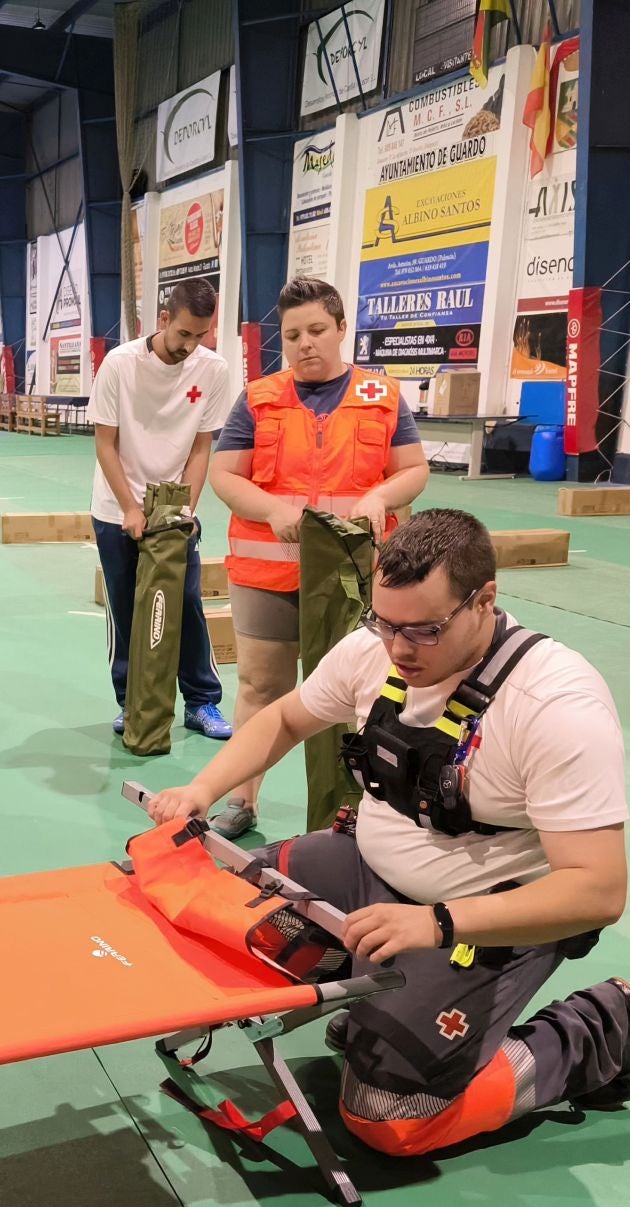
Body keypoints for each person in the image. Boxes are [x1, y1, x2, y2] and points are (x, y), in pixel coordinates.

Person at [148, 509, 630, 1157]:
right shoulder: (374, 650)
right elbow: (286, 719)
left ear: (486, 599)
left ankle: (586, 1036)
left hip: (481, 919)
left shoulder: (555, 706)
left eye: (424, 630)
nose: (400, 649)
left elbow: (599, 892)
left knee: (391, 1116)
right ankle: (379, 995)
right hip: (368, 869)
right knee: (215, 904)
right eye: (384, 623)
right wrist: (202, 790)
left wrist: (437, 923)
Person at [206, 276, 430, 838]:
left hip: (355, 578)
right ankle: (242, 800)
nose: (305, 343)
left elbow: (414, 469)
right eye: (292, 334)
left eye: (316, 330)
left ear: (341, 329)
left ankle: (351, 811)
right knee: (261, 686)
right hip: (267, 571)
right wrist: (269, 509)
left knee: (360, 694)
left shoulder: (383, 397)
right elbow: (223, 476)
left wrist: (380, 495)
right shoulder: (258, 398)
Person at [91, 277, 237, 742]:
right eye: (183, 334)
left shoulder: (212, 370)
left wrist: (184, 514)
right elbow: (105, 444)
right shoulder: (120, 365)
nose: (191, 346)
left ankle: (202, 701)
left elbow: (200, 448)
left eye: (201, 336)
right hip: (116, 508)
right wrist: (130, 508)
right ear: (162, 320)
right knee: (127, 607)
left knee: (188, 604)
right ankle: (132, 702)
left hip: (172, 510)